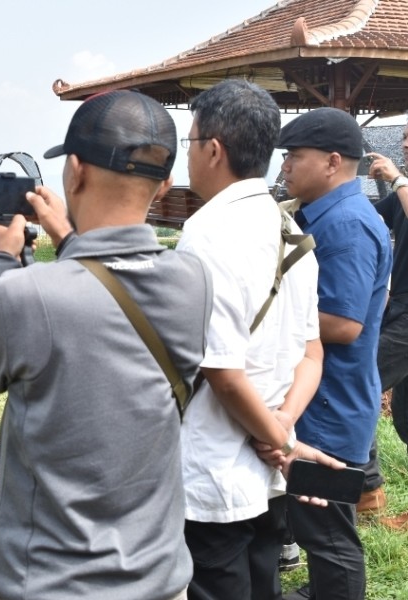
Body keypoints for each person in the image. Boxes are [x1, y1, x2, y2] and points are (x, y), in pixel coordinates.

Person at [0, 90, 211, 600]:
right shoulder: (192, 281)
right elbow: (111, 283)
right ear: (164, 185)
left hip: (48, 580)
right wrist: (69, 240)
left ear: (75, 170)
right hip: (158, 577)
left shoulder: (27, 293)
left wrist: (3, 261)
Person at [176, 79, 326, 600]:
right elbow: (313, 352)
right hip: (272, 473)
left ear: (213, 149)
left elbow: (222, 372)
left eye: (189, 143)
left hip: (215, 470)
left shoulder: (206, 234)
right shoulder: (290, 230)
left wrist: (280, 439)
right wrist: (283, 425)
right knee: (264, 585)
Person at [277, 107, 392, 600]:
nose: (284, 167)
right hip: (329, 396)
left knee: (328, 537)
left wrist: (267, 320)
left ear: (331, 161)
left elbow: (345, 324)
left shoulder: (345, 224)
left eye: (293, 157)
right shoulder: (327, 213)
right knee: (315, 525)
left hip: (328, 404)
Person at [361, 136, 408, 529]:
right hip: (400, 309)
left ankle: (367, 494)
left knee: (359, 381)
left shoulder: (404, 186)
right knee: (406, 418)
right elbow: (371, 218)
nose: (406, 146)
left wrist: (397, 180)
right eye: (406, 140)